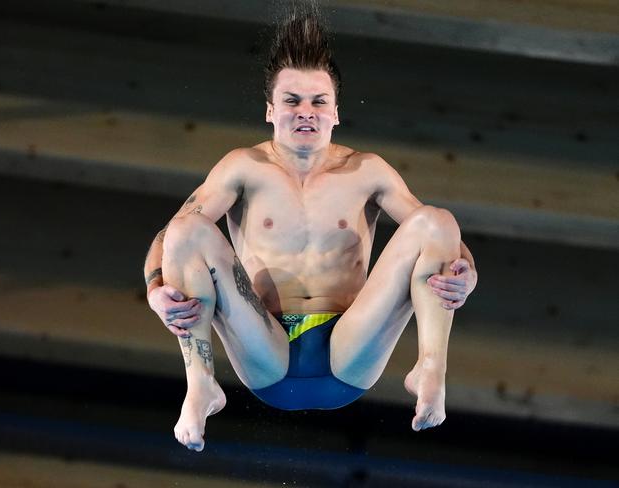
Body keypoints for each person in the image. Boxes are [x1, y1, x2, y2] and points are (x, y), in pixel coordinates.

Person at [143, 3, 477, 453]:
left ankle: (430, 369)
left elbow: (440, 236)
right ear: (270, 110)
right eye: (292, 101)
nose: (306, 112)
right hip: (265, 348)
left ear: (336, 112)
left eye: (319, 101)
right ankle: (201, 383)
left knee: (437, 220)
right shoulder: (243, 166)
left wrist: (466, 273)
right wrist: (154, 289)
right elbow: (168, 238)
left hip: (351, 347)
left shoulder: (368, 170)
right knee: (186, 228)